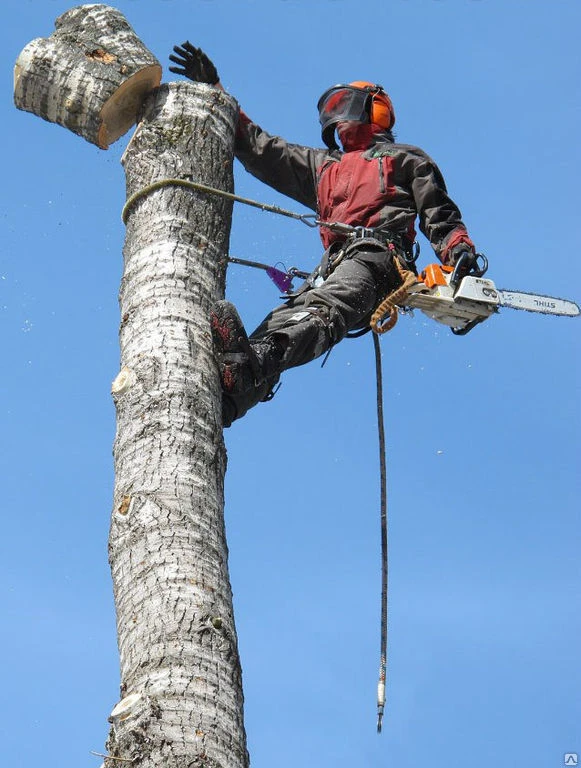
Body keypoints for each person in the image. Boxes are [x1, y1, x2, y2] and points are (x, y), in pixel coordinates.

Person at [169, 42, 481, 427]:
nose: (336, 118)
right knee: (281, 320)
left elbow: (439, 211)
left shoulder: (404, 159)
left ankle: (253, 364)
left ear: (373, 110)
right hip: (334, 265)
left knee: (321, 311)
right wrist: (215, 89)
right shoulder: (323, 166)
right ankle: (230, 396)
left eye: (344, 106)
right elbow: (260, 148)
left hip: (378, 257)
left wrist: (458, 253)